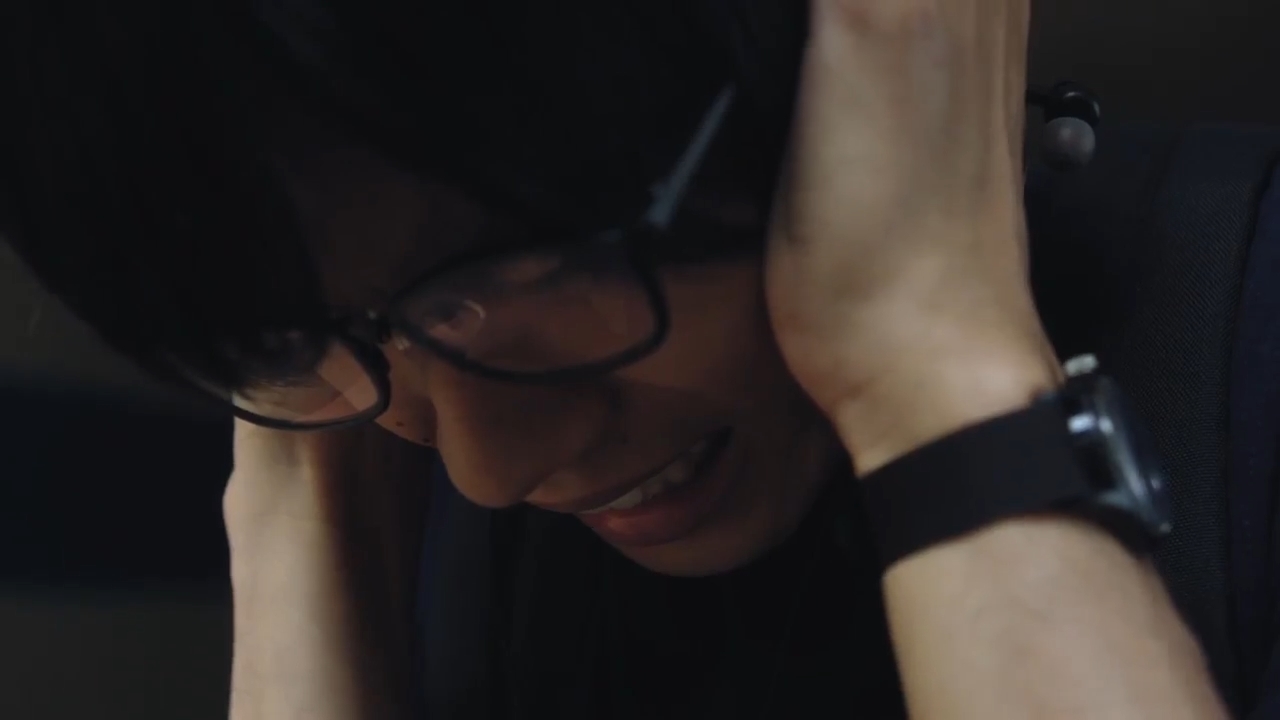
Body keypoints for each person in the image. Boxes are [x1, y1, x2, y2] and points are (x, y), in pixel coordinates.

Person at [0, 1, 1241, 718]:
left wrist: (938, 367)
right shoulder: (395, 504)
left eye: (539, 278)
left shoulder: (1238, 336)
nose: (489, 469)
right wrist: (294, 526)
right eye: (330, 334)